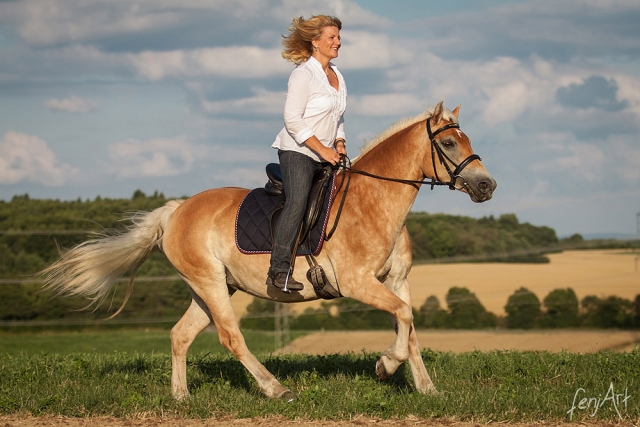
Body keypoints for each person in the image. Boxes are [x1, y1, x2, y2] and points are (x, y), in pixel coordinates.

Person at [267, 15, 348, 291]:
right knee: (298, 202)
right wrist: (322, 148)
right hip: (297, 152)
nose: (337, 41)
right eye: (332, 37)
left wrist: (339, 143)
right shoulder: (303, 74)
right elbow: (292, 118)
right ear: (315, 42)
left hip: (326, 153)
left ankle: (321, 267)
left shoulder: (338, 75)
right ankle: (278, 269)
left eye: (338, 37)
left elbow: (338, 117)